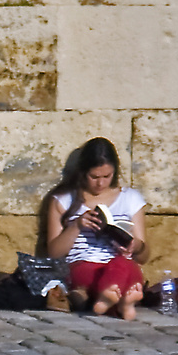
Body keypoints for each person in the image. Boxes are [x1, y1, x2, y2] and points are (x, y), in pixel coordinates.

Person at [44, 137, 146, 320]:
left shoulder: (130, 199)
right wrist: (77, 226)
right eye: (94, 177)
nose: (100, 184)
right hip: (84, 266)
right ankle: (122, 304)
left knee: (123, 264)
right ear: (83, 173)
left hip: (122, 264)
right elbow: (54, 252)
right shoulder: (63, 200)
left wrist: (135, 246)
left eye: (107, 177)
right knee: (116, 277)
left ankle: (108, 300)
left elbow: (145, 255)